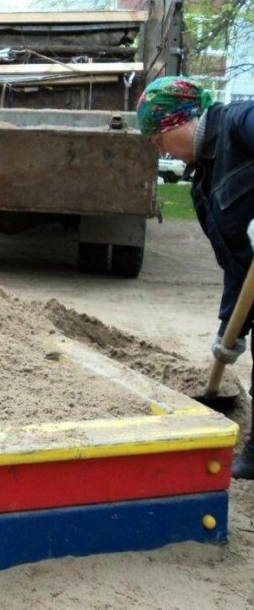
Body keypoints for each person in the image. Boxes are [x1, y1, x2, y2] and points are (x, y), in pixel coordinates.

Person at [136, 76, 254, 479]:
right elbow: (237, 266)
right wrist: (229, 331)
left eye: (156, 139)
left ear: (176, 123)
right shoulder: (201, 186)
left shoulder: (239, 123)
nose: (157, 148)